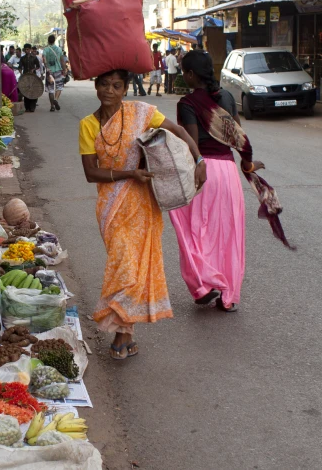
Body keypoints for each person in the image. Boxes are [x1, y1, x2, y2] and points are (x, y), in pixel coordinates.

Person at [79, 69, 206, 360]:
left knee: (135, 270)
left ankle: (123, 335)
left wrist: (199, 159)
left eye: (117, 85)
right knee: (124, 266)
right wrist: (129, 174)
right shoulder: (87, 125)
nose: (109, 90)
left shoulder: (140, 112)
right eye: (104, 84)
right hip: (111, 205)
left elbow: (179, 131)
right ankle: (125, 334)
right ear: (96, 87)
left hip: (144, 203)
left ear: (125, 89)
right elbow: (90, 172)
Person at [170, 51, 292, 313]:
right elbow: (239, 137)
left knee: (191, 228)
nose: (182, 75)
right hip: (227, 173)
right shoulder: (225, 97)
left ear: (191, 75)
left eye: (183, 71)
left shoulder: (187, 103)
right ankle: (229, 296)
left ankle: (203, 285)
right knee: (228, 233)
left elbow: (191, 143)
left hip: (202, 171)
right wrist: (247, 165)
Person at [44, 34, 67, 112]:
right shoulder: (59, 49)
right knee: (59, 87)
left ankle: (52, 106)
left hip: (49, 71)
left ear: (48, 40)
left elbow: (44, 59)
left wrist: (47, 68)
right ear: (54, 40)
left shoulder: (46, 50)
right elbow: (62, 60)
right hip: (57, 71)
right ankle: (56, 99)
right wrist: (64, 69)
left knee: (50, 90)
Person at [19, 43, 42, 113]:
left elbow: (38, 66)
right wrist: (21, 73)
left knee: (33, 91)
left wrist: (33, 69)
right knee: (26, 92)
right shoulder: (22, 58)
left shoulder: (34, 58)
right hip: (25, 77)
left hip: (33, 77)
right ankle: (27, 107)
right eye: (25, 49)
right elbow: (19, 67)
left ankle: (32, 107)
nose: (27, 51)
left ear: (30, 49)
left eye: (28, 49)